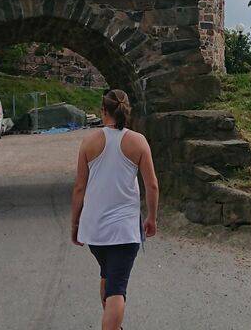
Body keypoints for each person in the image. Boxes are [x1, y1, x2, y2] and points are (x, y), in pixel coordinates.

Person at [71, 89, 158, 330]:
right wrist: (152, 217)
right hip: (124, 229)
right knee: (117, 288)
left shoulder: (88, 142)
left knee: (107, 275)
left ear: (103, 111)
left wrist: (75, 223)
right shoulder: (138, 141)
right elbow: (151, 184)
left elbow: (79, 187)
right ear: (127, 111)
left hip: (95, 230)